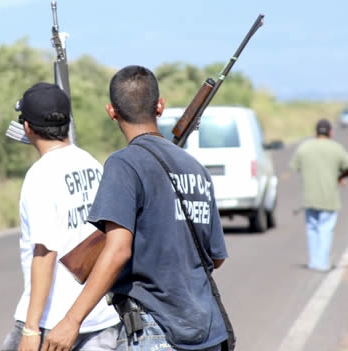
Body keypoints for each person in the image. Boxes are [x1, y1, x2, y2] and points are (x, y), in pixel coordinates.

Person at [42, 65, 229, 351]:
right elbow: (216, 257)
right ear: (160, 106)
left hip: (157, 331)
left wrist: (71, 321)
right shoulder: (197, 169)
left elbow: (117, 250)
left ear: (111, 111)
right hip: (207, 332)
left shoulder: (124, 163)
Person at [0, 82, 120, 351]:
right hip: (98, 313)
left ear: (27, 127)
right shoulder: (90, 162)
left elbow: (45, 252)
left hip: (52, 321)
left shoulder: (40, 175)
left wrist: (31, 329)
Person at [289, 118, 348, 272]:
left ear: (315, 132)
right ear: (331, 133)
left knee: (312, 229)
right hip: (329, 198)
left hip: (309, 197)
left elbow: (295, 166)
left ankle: (314, 262)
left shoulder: (305, 147)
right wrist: (340, 176)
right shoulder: (336, 148)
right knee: (325, 229)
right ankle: (323, 262)